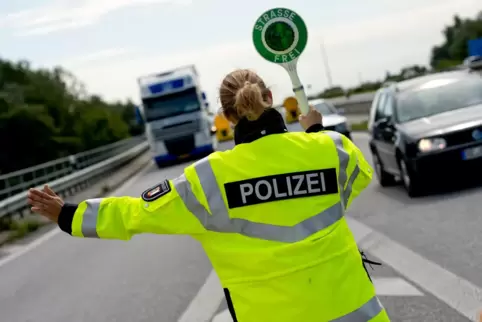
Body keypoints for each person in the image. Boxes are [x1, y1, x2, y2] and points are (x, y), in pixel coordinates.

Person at [27, 69, 390, 322]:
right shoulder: (331, 149)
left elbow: (135, 213)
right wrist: (315, 136)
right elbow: (357, 177)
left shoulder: (206, 180)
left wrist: (67, 214)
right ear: (269, 98)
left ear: (229, 117)